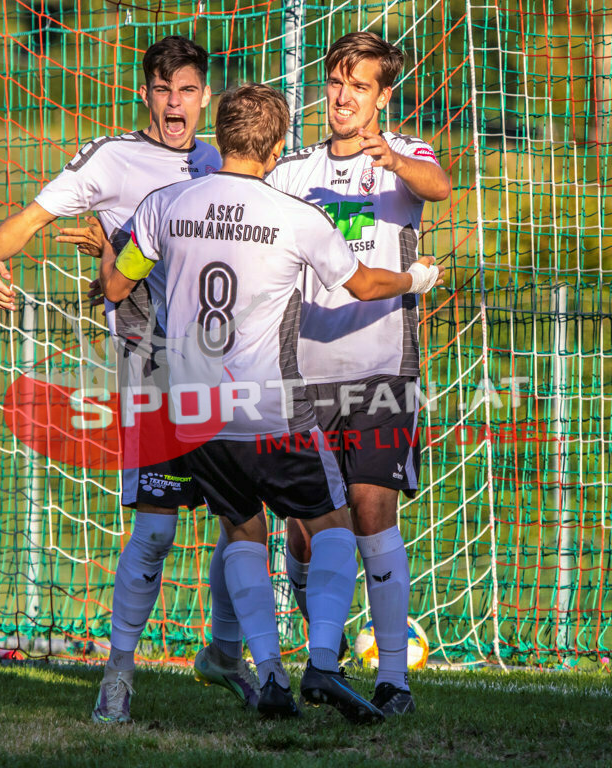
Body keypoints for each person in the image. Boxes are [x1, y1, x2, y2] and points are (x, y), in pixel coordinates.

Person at [100, 82, 443, 722]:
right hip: (269, 408)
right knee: (332, 524)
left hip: (192, 413)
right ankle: (323, 662)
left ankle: (270, 674)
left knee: (241, 528)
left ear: (221, 136)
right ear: (278, 146)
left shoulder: (165, 203)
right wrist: (415, 277)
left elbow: (118, 284)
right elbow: (365, 285)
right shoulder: (294, 215)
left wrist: (114, 256)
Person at [0, 36, 258, 725]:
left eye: (187, 90)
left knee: (243, 524)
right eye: (162, 90)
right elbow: (35, 216)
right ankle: (118, 676)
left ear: (205, 96)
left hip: (227, 367)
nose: (174, 104)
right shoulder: (111, 158)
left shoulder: (223, 161)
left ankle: (225, 654)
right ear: (144, 94)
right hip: (150, 367)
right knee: (155, 532)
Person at [264, 31, 452, 717]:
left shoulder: (406, 156)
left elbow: (441, 187)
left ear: (382, 96)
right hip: (302, 374)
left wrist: (392, 158)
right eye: (337, 82)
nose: (344, 97)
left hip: (382, 370)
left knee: (373, 515)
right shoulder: (292, 171)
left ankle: (394, 680)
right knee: (306, 531)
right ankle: (327, 652)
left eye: (360, 86)